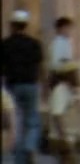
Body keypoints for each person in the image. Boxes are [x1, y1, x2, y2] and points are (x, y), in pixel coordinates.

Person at [2, 10, 43, 164]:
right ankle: (30, 145)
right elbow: (41, 66)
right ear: (26, 25)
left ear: (12, 25)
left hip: (12, 86)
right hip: (31, 84)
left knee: (16, 122)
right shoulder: (34, 44)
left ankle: (19, 159)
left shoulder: (5, 44)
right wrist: (44, 85)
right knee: (32, 120)